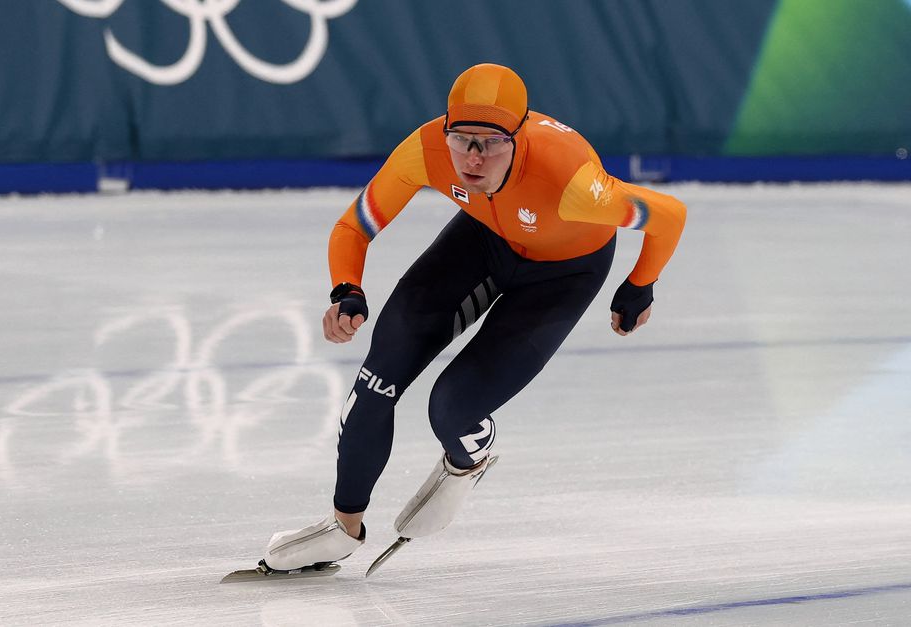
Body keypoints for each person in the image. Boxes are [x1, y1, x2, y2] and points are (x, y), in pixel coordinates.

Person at [261, 63, 686, 572]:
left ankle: (468, 461)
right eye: (462, 139)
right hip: (482, 241)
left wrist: (640, 284)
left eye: (492, 142)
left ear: (520, 138)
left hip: (562, 274)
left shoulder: (573, 182)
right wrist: (346, 289)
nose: (473, 157)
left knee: (451, 409)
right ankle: (344, 523)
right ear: (445, 129)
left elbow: (669, 214)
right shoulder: (426, 150)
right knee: (377, 378)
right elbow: (354, 225)